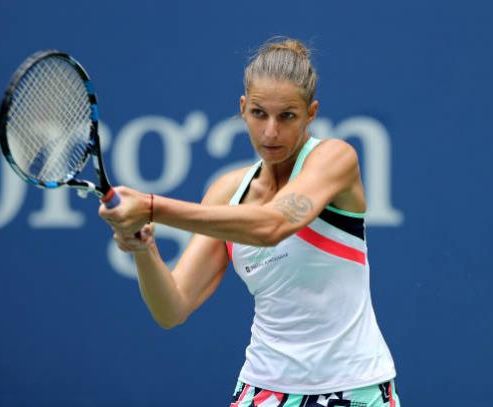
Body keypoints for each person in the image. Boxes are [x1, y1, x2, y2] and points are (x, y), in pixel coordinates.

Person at [99, 37, 400, 407]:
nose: (271, 132)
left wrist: (150, 206)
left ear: (311, 113)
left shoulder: (335, 159)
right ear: (242, 109)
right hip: (263, 389)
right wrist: (143, 248)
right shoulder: (227, 191)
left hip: (352, 387)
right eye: (259, 113)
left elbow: (271, 226)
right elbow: (172, 308)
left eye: (287, 116)